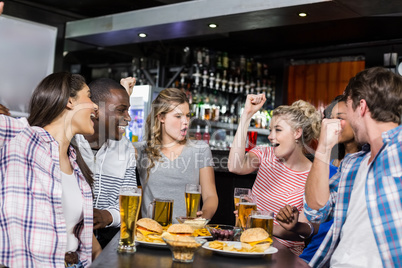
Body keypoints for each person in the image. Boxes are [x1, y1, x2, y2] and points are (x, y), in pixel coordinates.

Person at [0, 72, 101, 267]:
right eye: (89, 96)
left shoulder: (76, 165)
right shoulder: (20, 136)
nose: (95, 106)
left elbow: (79, 234)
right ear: (70, 101)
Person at [304, 67, 402, 267]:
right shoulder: (353, 165)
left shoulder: (398, 147)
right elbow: (316, 212)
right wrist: (323, 148)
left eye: (347, 110)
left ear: (362, 107)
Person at [228, 94, 321, 255]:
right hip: (249, 246)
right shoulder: (265, 154)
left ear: (297, 133)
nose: (270, 136)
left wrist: (259, 224)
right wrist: (246, 115)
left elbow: (302, 232)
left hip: (284, 255)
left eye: (277, 130)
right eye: (270, 130)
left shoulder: (313, 174)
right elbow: (235, 166)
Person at [275, 95, 361, 263]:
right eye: (329, 118)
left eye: (340, 118)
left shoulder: (364, 166)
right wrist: (295, 225)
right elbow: (314, 225)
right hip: (313, 255)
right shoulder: (324, 167)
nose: (332, 124)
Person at [135, 88, 218, 222]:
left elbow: (210, 196)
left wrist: (202, 217)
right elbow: (114, 146)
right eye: (178, 116)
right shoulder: (143, 150)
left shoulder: (200, 149)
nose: (185, 121)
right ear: (161, 117)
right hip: (151, 236)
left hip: (187, 234)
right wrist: (126, 91)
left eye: (187, 115)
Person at [73, 77, 137, 249]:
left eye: (128, 110)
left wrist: (108, 216)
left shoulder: (126, 149)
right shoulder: (69, 143)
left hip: (109, 243)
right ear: (95, 110)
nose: (128, 118)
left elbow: (128, 204)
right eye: (121, 110)